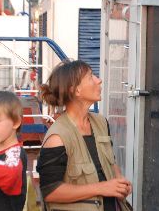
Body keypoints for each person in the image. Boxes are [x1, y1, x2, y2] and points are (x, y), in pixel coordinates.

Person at [37, 59, 132, 211]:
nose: (99, 80)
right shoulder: (57, 137)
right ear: (75, 90)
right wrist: (102, 188)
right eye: (91, 76)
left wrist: (120, 183)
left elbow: (111, 163)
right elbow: (50, 191)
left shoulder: (101, 122)